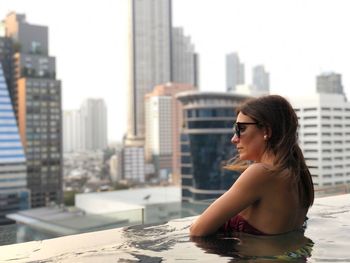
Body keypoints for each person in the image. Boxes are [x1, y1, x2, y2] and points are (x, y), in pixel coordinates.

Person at [189, 95, 314, 236]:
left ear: (266, 131)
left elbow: (197, 230)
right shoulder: (297, 173)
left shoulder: (261, 173)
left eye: (241, 129)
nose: (234, 139)